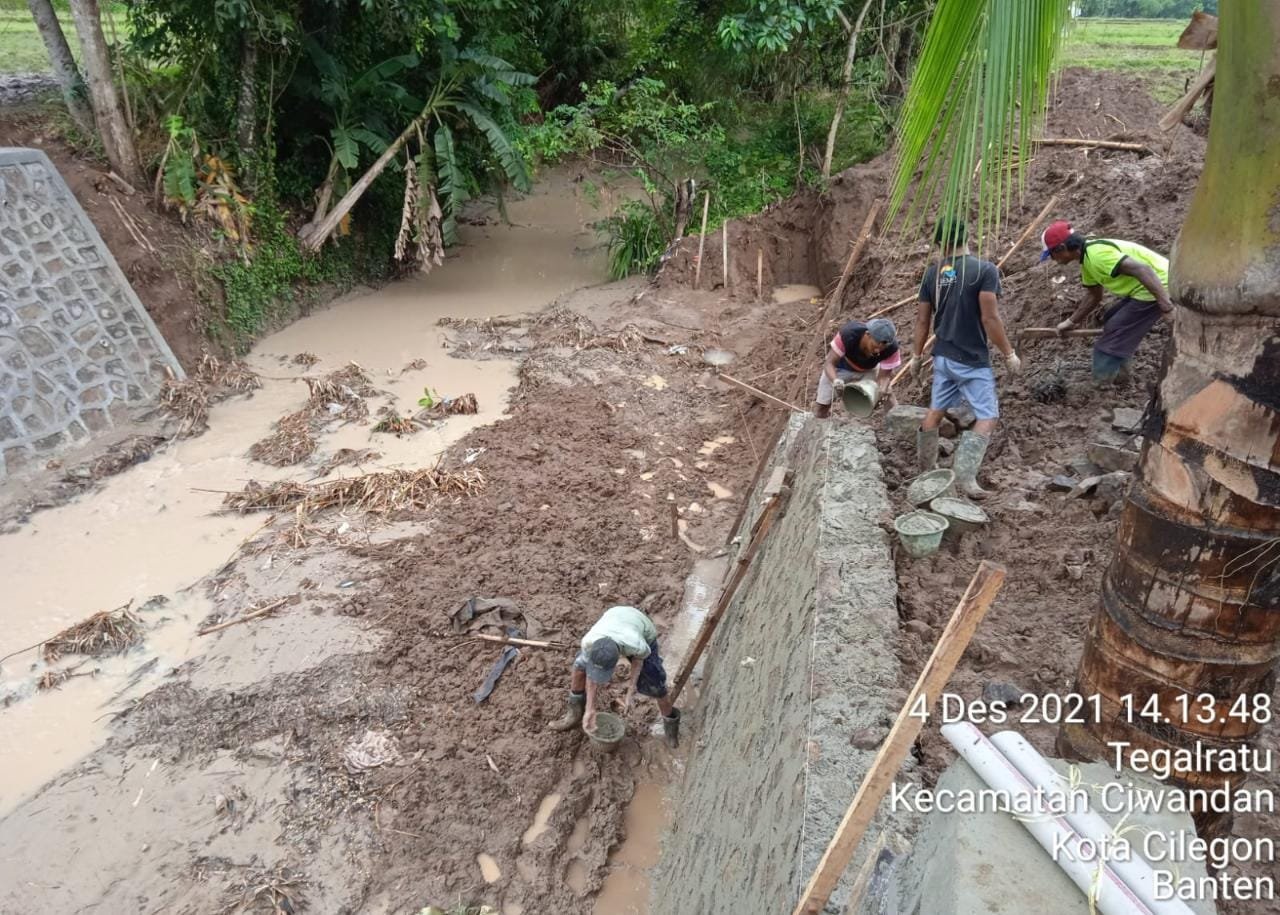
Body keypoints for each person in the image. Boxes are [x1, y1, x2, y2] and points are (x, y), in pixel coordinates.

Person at [913, 220, 1021, 499]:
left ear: (939, 243)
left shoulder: (933, 274)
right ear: (968, 237)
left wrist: (915, 356)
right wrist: (1008, 353)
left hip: (943, 358)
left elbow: (923, 320)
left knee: (935, 411)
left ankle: (927, 470)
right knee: (987, 416)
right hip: (971, 359)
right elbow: (990, 317)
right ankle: (965, 479)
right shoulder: (985, 271)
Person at [1040, 220, 1173, 384]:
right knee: (1111, 318)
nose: (1052, 259)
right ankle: (1120, 375)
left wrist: (1166, 307)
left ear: (1061, 248)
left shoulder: (1097, 256)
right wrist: (1071, 321)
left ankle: (1102, 385)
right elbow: (1093, 296)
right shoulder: (1087, 257)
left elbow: (1142, 269)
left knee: (1112, 336)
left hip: (1159, 285)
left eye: (1051, 254)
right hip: (1146, 287)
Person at [548, 605, 680, 746]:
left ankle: (670, 728)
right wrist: (590, 709)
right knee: (579, 667)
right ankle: (574, 714)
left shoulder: (637, 645)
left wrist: (630, 691)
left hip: (641, 625)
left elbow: (638, 662)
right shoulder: (588, 642)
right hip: (614, 616)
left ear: (618, 659)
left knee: (655, 683)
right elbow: (591, 676)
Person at [813, 317, 902, 419]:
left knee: (887, 393)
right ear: (867, 334)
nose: (878, 351)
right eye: (875, 346)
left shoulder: (891, 348)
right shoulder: (849, 334)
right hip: (840, 369)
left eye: (882, 349)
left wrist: (882, 387)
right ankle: (819, 424)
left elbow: (884, 376)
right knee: (822, 406)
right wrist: (835, 380)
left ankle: (896, 422)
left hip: (869, 370)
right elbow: (829, 363)